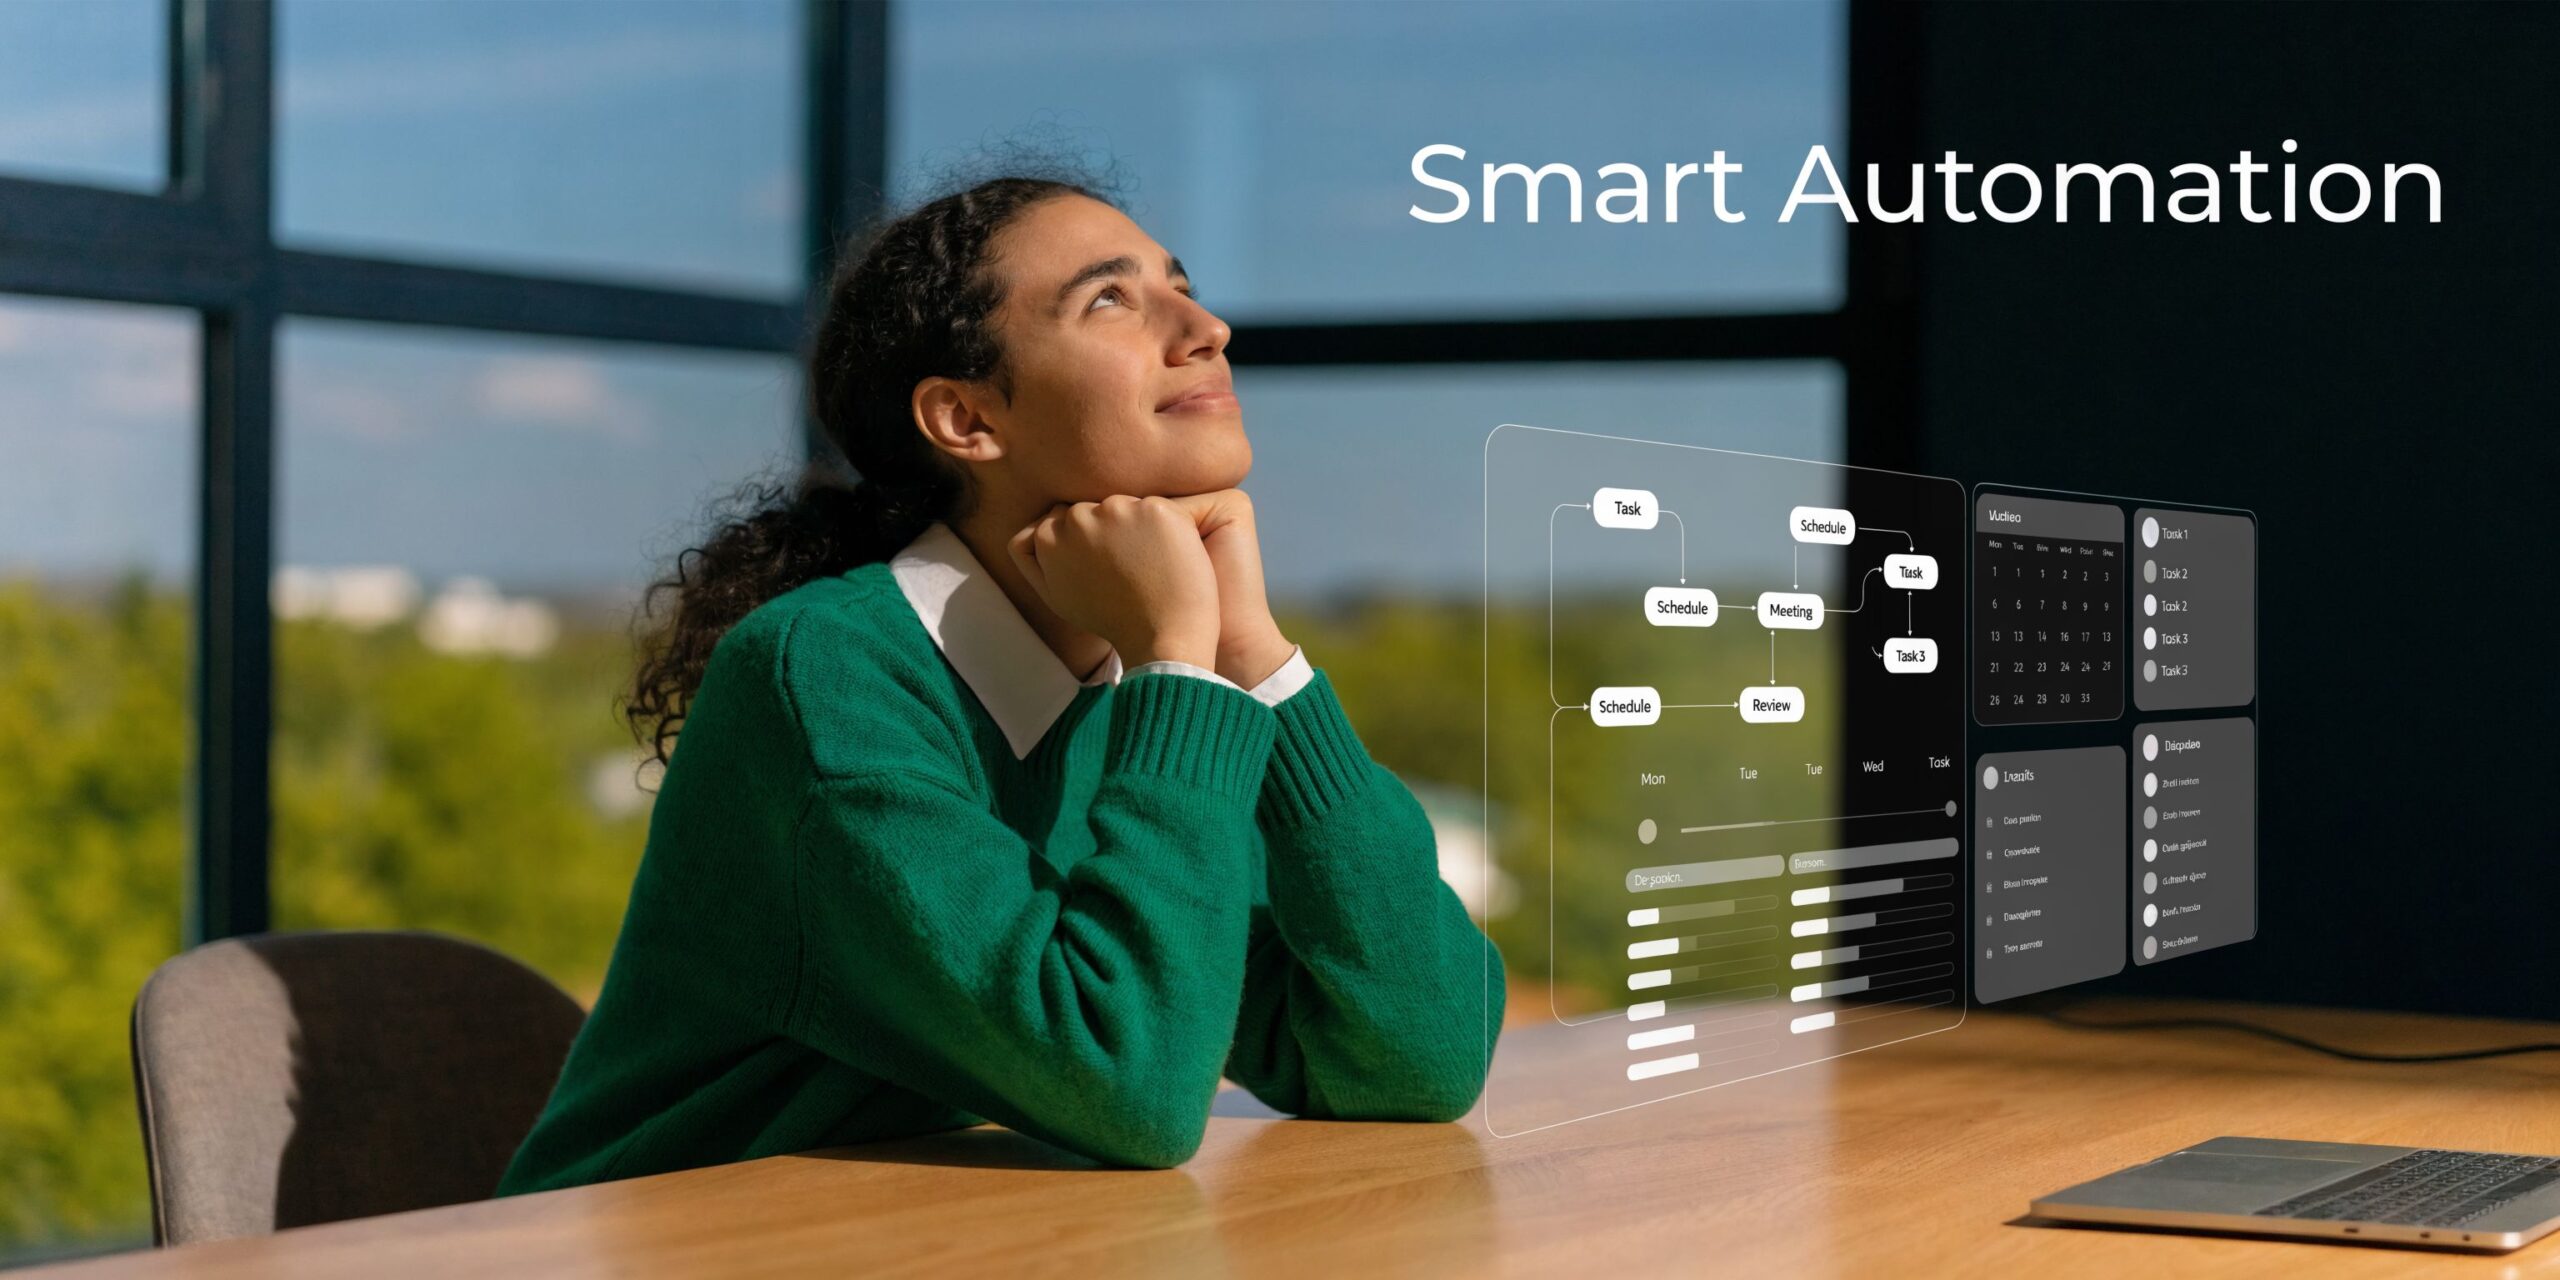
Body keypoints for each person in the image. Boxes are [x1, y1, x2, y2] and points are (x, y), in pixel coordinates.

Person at [495, 172, 1502, 1190]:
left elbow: (1420, 1054)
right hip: (652, 1245)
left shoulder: (1131, 688)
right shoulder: (828, 673)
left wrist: (1256, 656)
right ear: (966, 419)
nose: (1205, 326)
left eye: (1182, 285)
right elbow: (1127, 1089)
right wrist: (1176, 665)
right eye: (1111, 299)